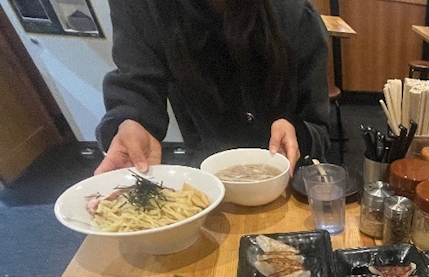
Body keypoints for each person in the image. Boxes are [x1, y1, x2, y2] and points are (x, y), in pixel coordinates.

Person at [94, 0, 330, 175]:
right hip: (208, 174)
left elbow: (316, 127)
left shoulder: (294, 14)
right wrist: (132, 122)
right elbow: (136, 80)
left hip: (289, 178)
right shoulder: (144, 6)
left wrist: (297, 133)